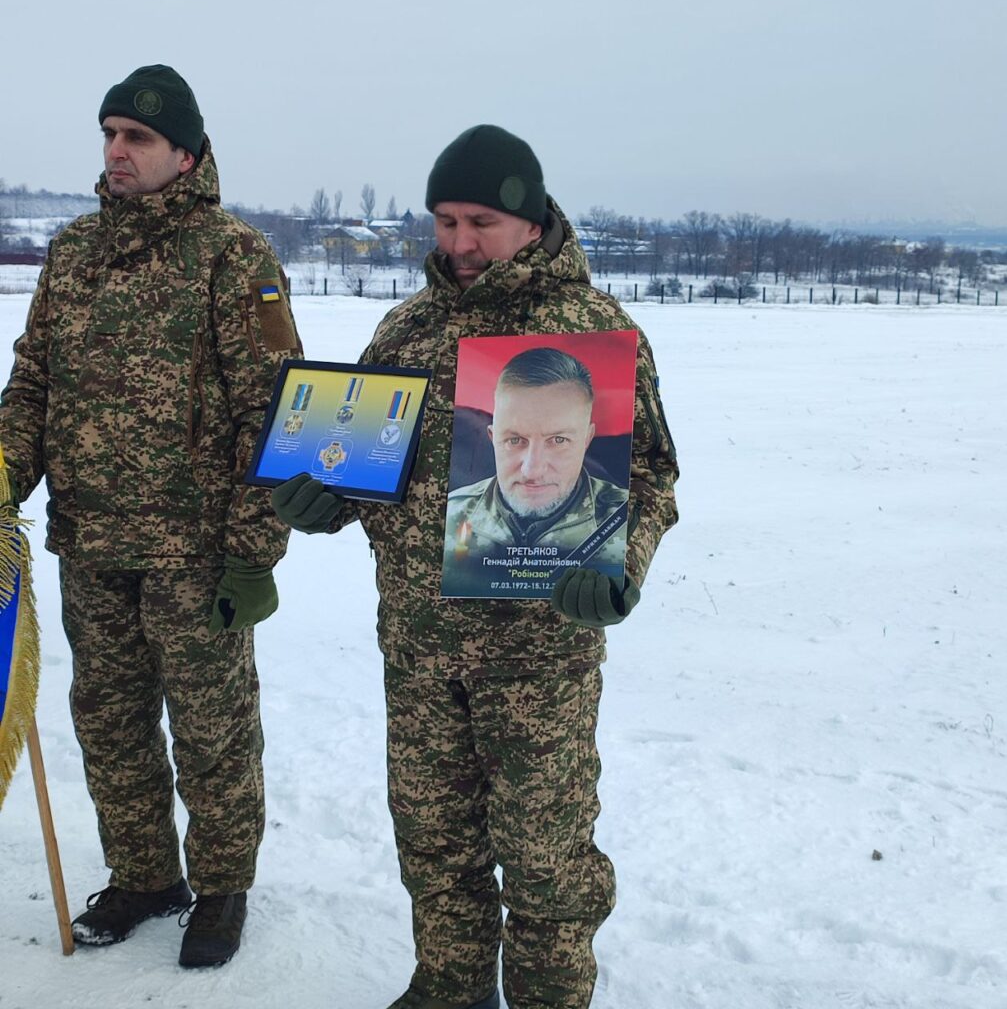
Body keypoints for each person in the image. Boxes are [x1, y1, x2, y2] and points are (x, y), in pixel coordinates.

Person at [272, 124, 678, 1009]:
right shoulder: (409, 326)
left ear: (530, 222)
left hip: (540, 660)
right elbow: (364, 462)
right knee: (435, 845)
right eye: (445, 221)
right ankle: (451, 988)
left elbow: (652, 479)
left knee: (546, 864)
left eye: (480, 222)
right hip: (419, 653)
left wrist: (623, 569)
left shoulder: (599, 333)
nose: (457, 243)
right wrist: (323, 499)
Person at [0, 65, 302, 968]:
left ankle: (220, 886)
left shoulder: (233, 255)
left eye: (137, 137)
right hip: (90, 541)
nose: (116, 151)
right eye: (109, 134)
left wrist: (255, 554)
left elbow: (275, 412)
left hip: (195, 554)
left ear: (186, 154)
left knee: (212, 724)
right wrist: (3, 471)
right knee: (109, 717)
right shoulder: (74, 253)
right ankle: (144, 875)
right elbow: (35, 384)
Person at [442, 346, 629, 593]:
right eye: (515, 440)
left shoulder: (619, 516)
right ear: (492, 437)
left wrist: (625, 583)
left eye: (558, 440)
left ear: (587, 439)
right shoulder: (455, 511)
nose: (532, 470)